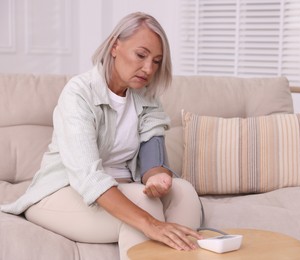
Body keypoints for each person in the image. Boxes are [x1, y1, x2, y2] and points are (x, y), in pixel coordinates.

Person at [0, 12, 203, 260]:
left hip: (123, 189)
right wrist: (151, 224)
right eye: (141, 55)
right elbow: (88, 177)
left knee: (185, 194)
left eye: (157, 61)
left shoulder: (147, 97)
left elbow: (153, 158)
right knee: (144, 209)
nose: (148, 68)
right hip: (63, 192)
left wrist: (158, 177)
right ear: (115, 45)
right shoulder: (79, 94)